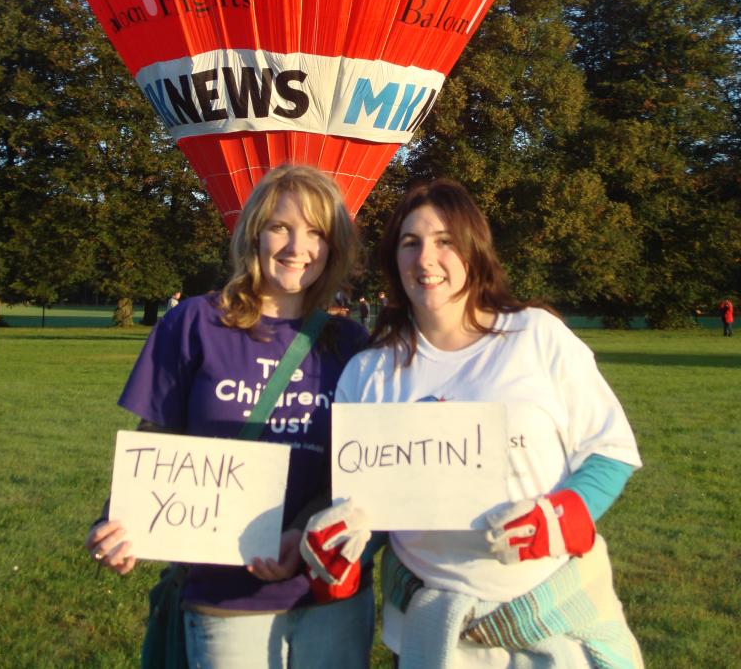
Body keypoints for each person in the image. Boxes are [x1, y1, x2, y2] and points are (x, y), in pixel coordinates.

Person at [307, 179, 643, 668]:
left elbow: (608, 448)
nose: (425, 259)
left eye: (444, 241)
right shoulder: (368, 372)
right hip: (434, 635)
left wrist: (564, 518)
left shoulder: (535, 335)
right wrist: (346, 548)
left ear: (474, 250)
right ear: (393, 258)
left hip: (554, 625)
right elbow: (369, 503)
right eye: (410, 243)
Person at [85, 164, 374, 669]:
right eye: (281, 226)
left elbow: (364, 469)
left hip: (330, 592)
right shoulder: (195, 322)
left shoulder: (350, 345)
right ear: (255, 232)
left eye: (316, 233)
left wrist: (302, 534)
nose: (295, 247)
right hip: (224, 593)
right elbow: (156, 437)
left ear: (333, 247)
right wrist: (118, 521)